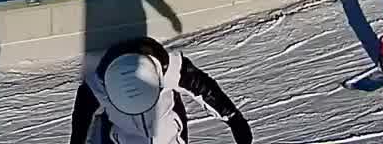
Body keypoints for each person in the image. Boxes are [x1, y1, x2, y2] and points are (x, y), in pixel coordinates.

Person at [68, 36, 252, 144]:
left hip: (169, 136)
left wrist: (233, 118)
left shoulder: (170, 69)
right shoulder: (98, 83)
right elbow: (82, 114)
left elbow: (204, 89)